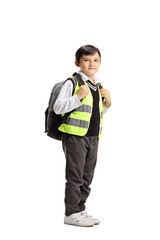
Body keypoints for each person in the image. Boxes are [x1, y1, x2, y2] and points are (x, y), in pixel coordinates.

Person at [54, 45, 111, 227]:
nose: (91, 63)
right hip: (75, 137)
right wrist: (77, 96)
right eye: (86, 60)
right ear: (78, 63)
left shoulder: (97, 85)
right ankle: (70, 213)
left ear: (100, 63)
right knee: (75, 177)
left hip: (93, 137)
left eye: (95, 60)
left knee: (87, 177)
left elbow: (94, 113)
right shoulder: (73, 83)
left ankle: (80, 210)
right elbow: (58, 107)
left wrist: (107, 103)